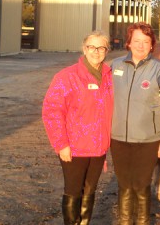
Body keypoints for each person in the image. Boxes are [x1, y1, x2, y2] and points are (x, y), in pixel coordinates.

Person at [42, 30, 113, 225]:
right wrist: (61, 144)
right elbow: (52, 112)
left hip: (98, 148)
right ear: (84, 49)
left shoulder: (109, 77)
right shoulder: (67, 77)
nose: (96, 51)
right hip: (75, 148)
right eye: (91, 47)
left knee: (90, 191)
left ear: (107, 50)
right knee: (73, 191)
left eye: (101, 47)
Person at [110, 22, 160, 225]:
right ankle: (124, 222)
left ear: (151, 45)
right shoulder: (115, 66)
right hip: (118, 138)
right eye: (136, 41)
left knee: (141, 185)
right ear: (128, 43)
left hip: (148, 140)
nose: (141, 45)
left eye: (146, 42)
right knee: (124, 185)